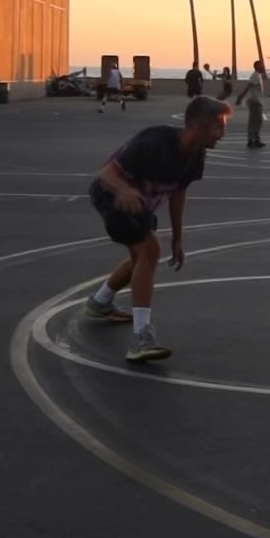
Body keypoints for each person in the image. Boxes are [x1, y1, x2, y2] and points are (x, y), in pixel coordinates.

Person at [86, 96, 232, 362]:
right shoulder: (154, 142)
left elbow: (178, 194)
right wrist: (124, 189)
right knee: (150, 250)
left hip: (140, 205)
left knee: (140, 258)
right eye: (219, 127)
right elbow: (105, 174)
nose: (222, 134)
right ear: (200, 126)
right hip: (112, 196)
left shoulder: (196, 156)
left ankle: (100, 302)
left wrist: (178, 238)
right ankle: (141, 338)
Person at [236, 59, 266, 148]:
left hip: (257, 101)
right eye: (261, 65)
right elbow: (248, 87)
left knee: (256, 121)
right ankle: (253, 140)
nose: (263, 66)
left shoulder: (258, 75)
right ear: (257, 66)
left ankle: (254, 139)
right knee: (255, 121)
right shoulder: (255, 76)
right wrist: (240, 97)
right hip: (254, 101)